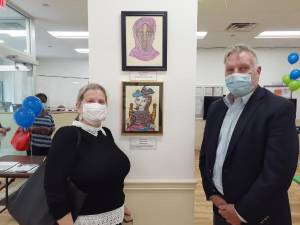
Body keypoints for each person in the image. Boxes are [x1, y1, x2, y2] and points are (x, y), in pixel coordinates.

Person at [200, 44, 299, 225]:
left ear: (258, 71)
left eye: (243, 68)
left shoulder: (278, 109)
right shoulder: (216, 108)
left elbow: (278, 173)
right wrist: (212, 192)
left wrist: (240, 213)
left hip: (259, 215)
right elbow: (206, 155)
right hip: (221, 210)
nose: (236, 74)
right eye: (230, 70)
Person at [44, 83, 131, 225]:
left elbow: (111, 176)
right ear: (78, 106)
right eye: (90, 101)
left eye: (101, 102)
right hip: (85, 219)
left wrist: (121, 205)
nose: (96, 105)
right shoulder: (67, 135)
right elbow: (53, 186)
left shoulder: (106, 133)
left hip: (116, 216)